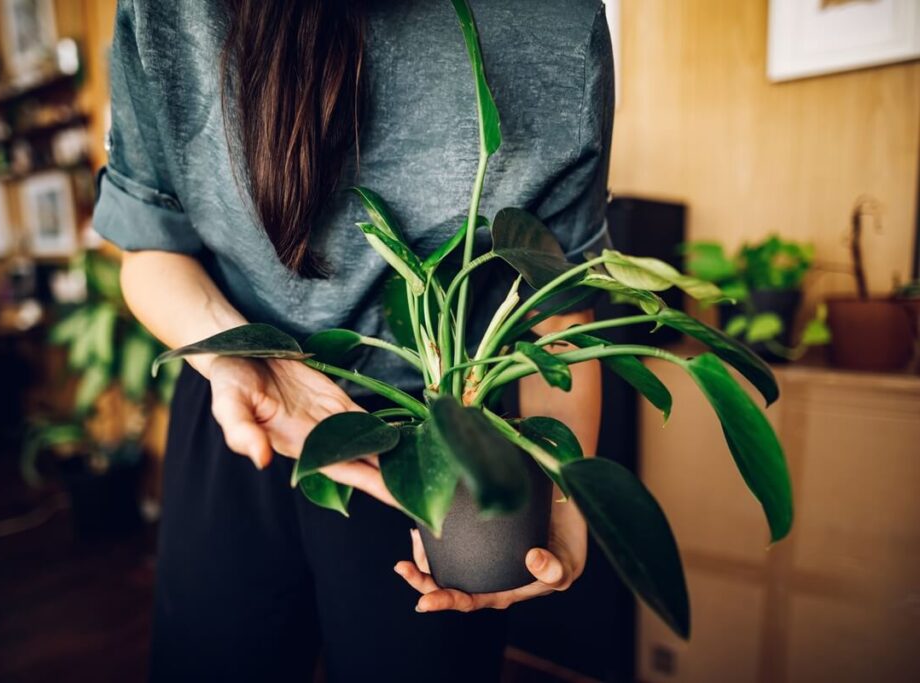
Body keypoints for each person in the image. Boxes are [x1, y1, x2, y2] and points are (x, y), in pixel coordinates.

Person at [94, 0, 614, 680]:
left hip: (438, 449)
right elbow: (148, 250)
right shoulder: (170, 12)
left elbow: (559, 310)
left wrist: (567, 495)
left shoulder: (557, 20)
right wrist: (235, 352)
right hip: (239, 404)